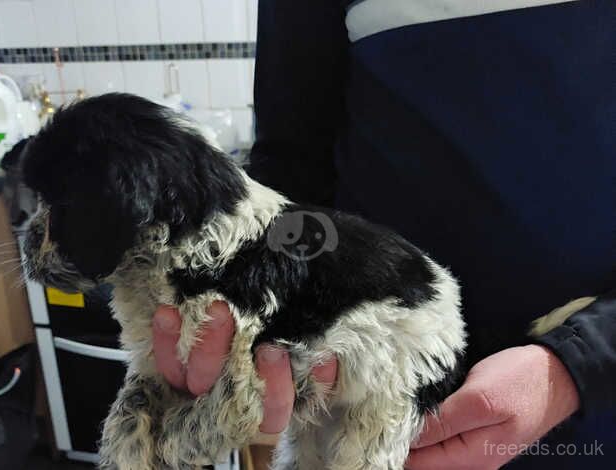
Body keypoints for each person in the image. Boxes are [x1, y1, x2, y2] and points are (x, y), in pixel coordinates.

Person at [152, 1, 616, 468]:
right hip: (378, 415)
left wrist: (578, 365)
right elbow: (294, 180)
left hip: (598, 416)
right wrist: (247, 302)